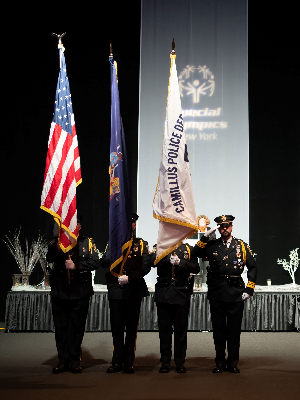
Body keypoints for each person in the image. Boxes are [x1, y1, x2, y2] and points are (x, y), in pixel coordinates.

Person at [191, 215, 257, 373]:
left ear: (232, 227)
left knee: (234, 331)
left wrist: (249, 289)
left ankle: (233, 362)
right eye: (221, 227)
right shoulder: (212, 245)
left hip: (235, 292)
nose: (224, 229)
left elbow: (253, 267)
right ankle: (219, 362)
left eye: (227, 226)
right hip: (217, 292)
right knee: (218, 330)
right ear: (218, 229)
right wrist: (205, 238)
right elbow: (195, 253)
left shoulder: (241, 245)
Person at [47, 214, 100, 374]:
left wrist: (76, 265)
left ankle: (75, 360)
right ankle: (63, 360)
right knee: (61, 328)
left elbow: (95, 262)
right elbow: (49, 257)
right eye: (68, 224)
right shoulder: (56, 242)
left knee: (77, 328)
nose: (72, 227)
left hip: (80, 292)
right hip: (60, 292)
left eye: (74, 224)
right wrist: (58, 244)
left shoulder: (87, 242)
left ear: (79, 226)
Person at [100, 213, 151, 374]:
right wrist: (117, 250)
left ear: (135, 225)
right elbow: (104, 262)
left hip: (133, 290)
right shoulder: (113, 242)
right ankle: (116, 362)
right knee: (117, 328)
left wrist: (129, 278)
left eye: (132, 223)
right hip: (116, 290)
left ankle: (129, 362)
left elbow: (145, 267)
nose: (130, 226)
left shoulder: (141, 244)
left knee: (131, 329)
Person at [152, 243, 199, 373]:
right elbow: (152, 262)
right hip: (164, 293)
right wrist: (166, 257)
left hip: (181, 293)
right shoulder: (160, 246)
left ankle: (180, 362)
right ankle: (165, 362)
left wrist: (180, 263)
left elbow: (196, 268)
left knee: (181, 330)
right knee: (164, 331)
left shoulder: (188, 249)